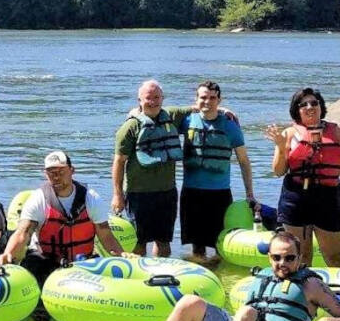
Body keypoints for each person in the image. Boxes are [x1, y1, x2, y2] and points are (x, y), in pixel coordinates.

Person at [148, 232, 340, 321]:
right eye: (276, 258)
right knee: (189, 302)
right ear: (269, 258)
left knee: (247, 312)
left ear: (299, 258)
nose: (282, 263)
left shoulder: (312, 285)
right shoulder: (263, 275)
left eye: (290, 258)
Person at [0, 150, 130, 287]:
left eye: (61, 172)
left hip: (82, 261)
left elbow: (105, 235)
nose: (56, 177)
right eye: (51, 173)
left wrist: (121, 255)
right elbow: (22, 233)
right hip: (46, 261)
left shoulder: (91, 198)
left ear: (72, 171)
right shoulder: (38, 199)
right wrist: (8, 254)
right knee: (32, 265)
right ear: (45, 174)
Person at [112, 80, 192, 257]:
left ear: (163, 98)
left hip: (167, 192)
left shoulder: (171, 116)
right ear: (139, 100)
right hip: (138, 194)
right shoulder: (130, 127)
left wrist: (224, 110)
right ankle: (138, 278)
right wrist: (117, 195)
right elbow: (118, 162)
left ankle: (160, 275)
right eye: (148, 98)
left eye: (157, 97)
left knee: (164, 241)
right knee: (138, 242)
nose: (153, 101)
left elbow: (198, 108)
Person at [179, 81, 255, 263]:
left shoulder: (230, 126)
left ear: (219, 100)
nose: (207, 101)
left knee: (221, 245)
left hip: (219, 194)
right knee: (197, 247)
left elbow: (244, 161)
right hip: (191, 192)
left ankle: (221, 279)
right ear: (196, 99)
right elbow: (157, 115)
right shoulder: (187, 121)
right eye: (203, 97)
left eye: (212, 98)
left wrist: (249, 194)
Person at [265, 88, 340, 266]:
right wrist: (281, 146)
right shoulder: (289, 134)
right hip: (296, 198)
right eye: (303, 104)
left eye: (314, 103)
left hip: (328, 197)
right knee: (302, 256)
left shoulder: (336, 131)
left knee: (334, 257)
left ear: (321, 107)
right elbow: (278, 171)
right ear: (297, 110)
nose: (310, 107)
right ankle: (303, 292)